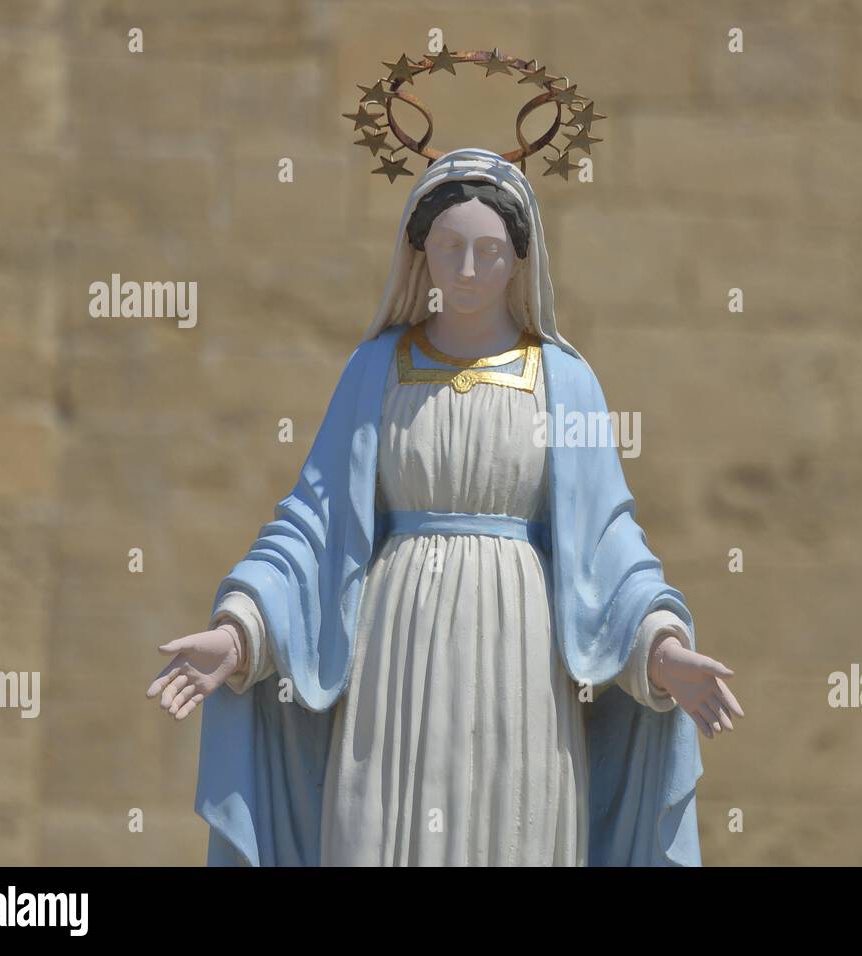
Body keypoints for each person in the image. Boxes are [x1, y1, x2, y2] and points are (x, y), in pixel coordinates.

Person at [145, 147, 742, 866]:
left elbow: (608, 544)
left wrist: (659, 648)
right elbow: (315, 523)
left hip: (521, 657)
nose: (467, 270)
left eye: (488, 251)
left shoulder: (563, 383)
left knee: (511, 829)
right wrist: (242, 634)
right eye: (449, 247)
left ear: (519, 259)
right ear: (419, 251)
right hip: (392, 651)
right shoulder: (376, 370)